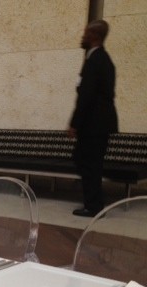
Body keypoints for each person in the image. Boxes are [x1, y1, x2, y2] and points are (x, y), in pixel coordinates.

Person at [68, 19, 118, 217]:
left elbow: (86, 97)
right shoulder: (103, 59)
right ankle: (94, 202)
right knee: (85, 161)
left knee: (89, 164)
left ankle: (94, 206)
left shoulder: (95, 61)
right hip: (98, 124)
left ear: (95, 36)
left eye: (86, 33)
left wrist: (74, 125)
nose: (83, 36)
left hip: (93, 125)